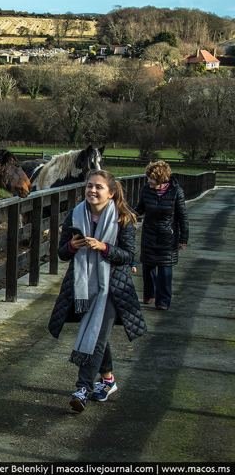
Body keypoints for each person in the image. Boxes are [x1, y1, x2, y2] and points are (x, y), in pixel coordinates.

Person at [48, 170, 147, 413]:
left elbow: (128, 256)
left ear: (110, 193)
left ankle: (82, 389)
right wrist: (72, 245)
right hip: (82, 286)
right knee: (97, 334)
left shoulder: (123, 218)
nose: (92, 190)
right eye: (89, 186)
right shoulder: (75, 214)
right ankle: (108, 379)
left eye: (98, 187)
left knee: (96, 336)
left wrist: (104, 247)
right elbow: (61, 253)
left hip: (111, 287)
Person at [136, 160, 189, 311]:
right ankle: (149, 295)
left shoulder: (176, 192)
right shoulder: (146, 190)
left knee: (165, 270)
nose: (148, 181)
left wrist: (183, 239)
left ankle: (163, 301)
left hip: (168, 236)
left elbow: (183, 216)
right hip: (149, 233)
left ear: (160, 179)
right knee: (148, 267)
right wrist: (126, 216)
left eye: (151, 178)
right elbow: (140, 208)